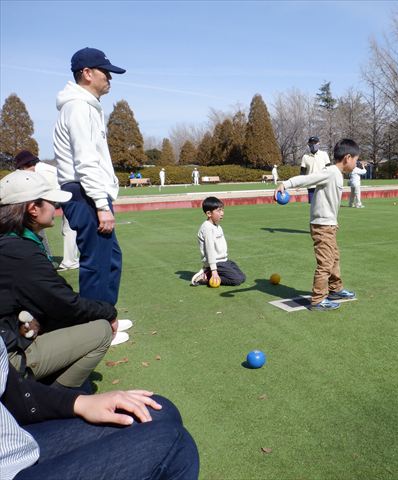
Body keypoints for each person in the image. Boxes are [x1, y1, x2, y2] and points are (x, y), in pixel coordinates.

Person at [0, 170, 130, 392]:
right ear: (33, 209)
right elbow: (66, 304)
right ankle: (51, 397)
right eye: (51, 201)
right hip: (8, 358)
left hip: (10, 335)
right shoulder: (19, 252)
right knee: (101, 330)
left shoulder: (11, 244)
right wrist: (109, 312)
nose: (56, 208)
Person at [0, 342, 200, 480]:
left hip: (15, 443)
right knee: (174, 445)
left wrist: (80, 402)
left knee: (157, 410)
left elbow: (9, 386)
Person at [52, 47, 127, 311]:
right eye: (105, 72)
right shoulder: (78, 108)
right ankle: (96, 326)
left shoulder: (87, 108)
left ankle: (106, 318)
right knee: (97, 262)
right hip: (84, 192)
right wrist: (102, 205)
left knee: (110, 258)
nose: (110, 78)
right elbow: (85, 161)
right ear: (86, 73)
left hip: (88, 192)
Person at [276, 139, 359, 311]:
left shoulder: (337, 174)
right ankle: (318, 299)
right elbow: (307, 179)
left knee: (334, 257)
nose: (356, 163)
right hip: (321, 226)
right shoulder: (330, 172)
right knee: (326, 262)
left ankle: (335, 289)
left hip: (329, 225)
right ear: (347, 157)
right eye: (356, 160)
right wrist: (286, 184)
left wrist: (334, 223)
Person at [190, 196, 246, 287]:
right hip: (215, 262)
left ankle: (211, 273)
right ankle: (206, 277)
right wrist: (214, 270)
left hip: (223, 260)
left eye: (222, 210)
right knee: (237, 280)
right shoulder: (207, 228)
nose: (222, 213)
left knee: (242, 277)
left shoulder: (217, 226)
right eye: (219, 211)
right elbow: (210, 250)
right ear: (209, 213)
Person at [300, 136, 331, 203]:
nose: (313, 145)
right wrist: (298, 183)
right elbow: (302, 172)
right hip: (311, 185)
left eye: (315, 143)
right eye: (311, 143)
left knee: (324, 205)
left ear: (318, 143)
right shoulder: (305, 157)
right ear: (308, 144)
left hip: (323, 185)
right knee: (313, 207)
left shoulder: (324, 154)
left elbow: (329, 169)